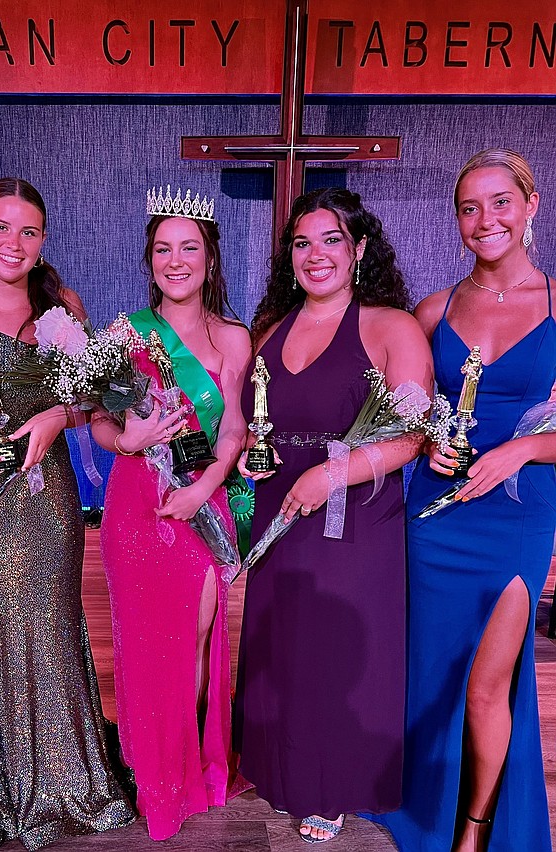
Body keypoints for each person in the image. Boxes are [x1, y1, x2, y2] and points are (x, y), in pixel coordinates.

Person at [0, 178, 134, 851]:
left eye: (29, 231)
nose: (15, 243)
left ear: (43, 241)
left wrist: (56, 415)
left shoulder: (61, 307)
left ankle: (66, 781)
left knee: (49, 626)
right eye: (1, 228)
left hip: (49, 501)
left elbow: (100, 401)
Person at [233, 187, 433, 843]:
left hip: (352, 515)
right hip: (279, 505)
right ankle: (285, 772)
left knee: (335, 651)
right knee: (283, 645)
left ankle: (336, 783)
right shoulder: (272, 330)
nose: (315, 255)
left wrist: (335, 470)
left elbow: (413, 435)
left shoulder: (389, 326)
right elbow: (259, 424)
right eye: (302, 243)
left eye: (331, 241)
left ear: (360, 250)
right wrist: (248, 460)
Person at [377, 150, 556, 851]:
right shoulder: (434, 308)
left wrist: (523, 448)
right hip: (434, 514)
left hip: (517, 515)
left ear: (531, 205)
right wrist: (425, 443)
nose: (486, 220)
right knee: (431, 667)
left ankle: (475, 830)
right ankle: (423, 803)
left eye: (501, 202)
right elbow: (398, 411)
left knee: (488, 682)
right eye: (470, 208)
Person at [91, 188, 253, 841]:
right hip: (138, 504)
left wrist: (205, 485)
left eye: (190, 247)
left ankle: (180, 770)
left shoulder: (235, 339)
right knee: (144, 645)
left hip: (199, 502)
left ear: (210, 259)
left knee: (190, 641)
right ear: (149, 258)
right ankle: (152, 772)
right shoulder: (123, 333)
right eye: (164, 249)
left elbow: (235, 429)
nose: (176, 260)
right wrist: (125, 441)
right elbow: (102, 422)